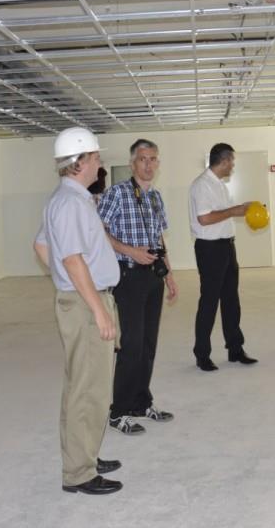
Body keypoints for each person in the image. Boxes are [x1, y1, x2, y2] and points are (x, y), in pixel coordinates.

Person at [33, 127, 123, 495]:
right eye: (96, 157)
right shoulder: (70, 203)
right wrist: (97, 309)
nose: (100, 164)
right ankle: (80, 473)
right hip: (87, 303)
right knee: (88, 390)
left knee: (87, 385)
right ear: (79, 162)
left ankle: (85, 454)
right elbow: (71, 260)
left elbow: (41, 247)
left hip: (84, 298)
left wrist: (65, 280)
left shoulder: (70, 198)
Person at [97, 139, 179, 436]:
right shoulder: (117, 193)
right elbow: (98, 232)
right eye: (143, 159)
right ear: (132, 164)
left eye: (153, 159)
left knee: (148, 344)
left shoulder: (156, 197)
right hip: (128, 276)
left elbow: (158, 238)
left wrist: (168, 273)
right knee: (131, 345)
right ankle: (118, 411)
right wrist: (130, 251)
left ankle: (141, 403)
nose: (148, 164)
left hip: (153, 277)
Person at [188, 142, 258, 371]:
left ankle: (235, 349)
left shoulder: (219, 184)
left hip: (227, 247)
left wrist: (240, 208)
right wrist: (234, 211)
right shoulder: (201, 185)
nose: (233, 166)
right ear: (224, 160)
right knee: (209, 302)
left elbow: (221, 213)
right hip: (210, 249)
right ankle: (202, 355)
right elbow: (204, 219)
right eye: (232, 161)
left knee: (231, 301)